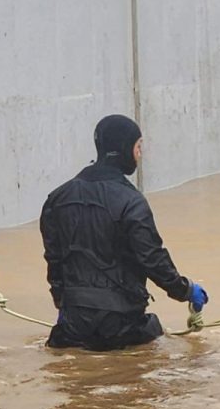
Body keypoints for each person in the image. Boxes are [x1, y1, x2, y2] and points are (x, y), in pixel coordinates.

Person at [39, 114, 207, 352]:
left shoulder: (57, 198)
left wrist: (64, 306)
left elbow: (54, 260)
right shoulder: (132, 201)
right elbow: (152, 259)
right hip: (123, 324)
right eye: (139, 147)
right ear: (126, 149)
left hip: (72, 324)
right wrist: (186, 290)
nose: (140, 154)